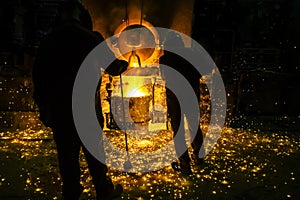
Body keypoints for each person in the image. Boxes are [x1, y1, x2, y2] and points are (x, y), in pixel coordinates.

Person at [32, 1, 122, 199]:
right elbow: (113, 67)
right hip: (86, 109)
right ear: (81, 16)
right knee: (95, 156)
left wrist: (44, 108)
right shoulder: (90, 38)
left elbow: (38, 77)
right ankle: (103, 190)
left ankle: (71, 190)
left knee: (67, 156)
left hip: (61, 109)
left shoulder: (49, 41)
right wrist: (122, 63)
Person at [159, 32, 204, 175]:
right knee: (194, 126)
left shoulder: (165, 59)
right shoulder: (192, 55)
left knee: (178, 131)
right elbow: (205, 70)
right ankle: (198, 156)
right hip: (191, 95)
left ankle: (185, 166)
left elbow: (163, 76)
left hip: (174, 98)